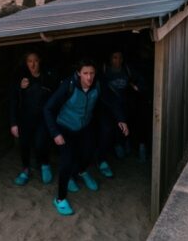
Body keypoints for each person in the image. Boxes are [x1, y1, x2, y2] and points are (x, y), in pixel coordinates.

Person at [44, 60, 128, 216]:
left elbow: (112, 101)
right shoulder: (68, 85)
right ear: (78, 74)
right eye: (85, 73)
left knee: (89, 153)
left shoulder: (98, 85)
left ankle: (81, 171)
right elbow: (48, 108)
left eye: (92, 73)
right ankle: (60, 198)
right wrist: (55, 133)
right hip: (65, 126)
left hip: (85, 126)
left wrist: (121, 119)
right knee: (67, 161)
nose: (89, 77)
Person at [8, 51, 58, 186]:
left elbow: (55, 98)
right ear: (26, 63)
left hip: (42, 119)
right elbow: (13, 101)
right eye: (30, 61)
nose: (33, 64)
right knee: (24, 145)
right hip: (24, 119)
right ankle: (25, 170)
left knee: (41, 143)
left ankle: (45, 164)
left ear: (40, 61)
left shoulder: (47, 78)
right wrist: (13, 123)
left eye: (35, 60)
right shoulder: (21, 79)